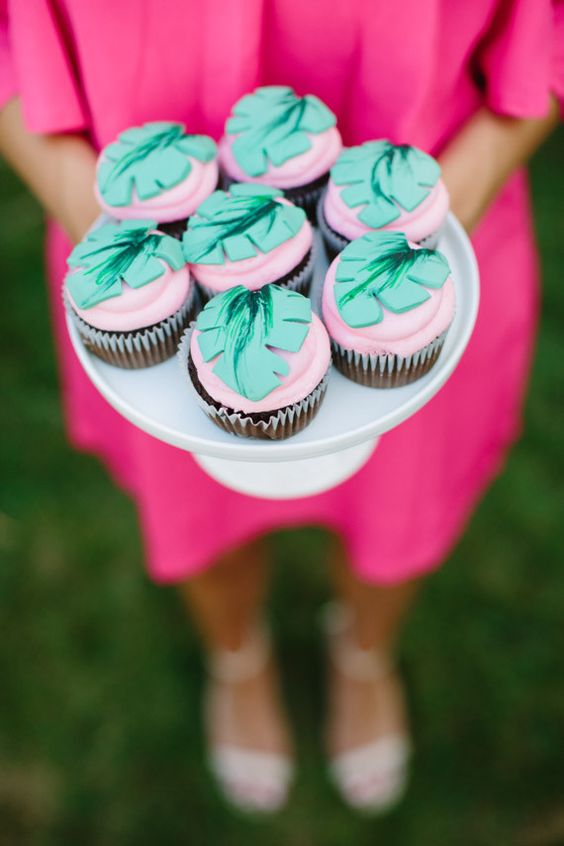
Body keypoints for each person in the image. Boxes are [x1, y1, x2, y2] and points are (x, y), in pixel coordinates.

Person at [0, 0, 561, 815]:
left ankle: (366, 652)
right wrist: (99, 222)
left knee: (397, 518)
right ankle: (237, 656)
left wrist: (447, 207)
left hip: (432, 231)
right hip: (124, 234)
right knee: (202, 516)